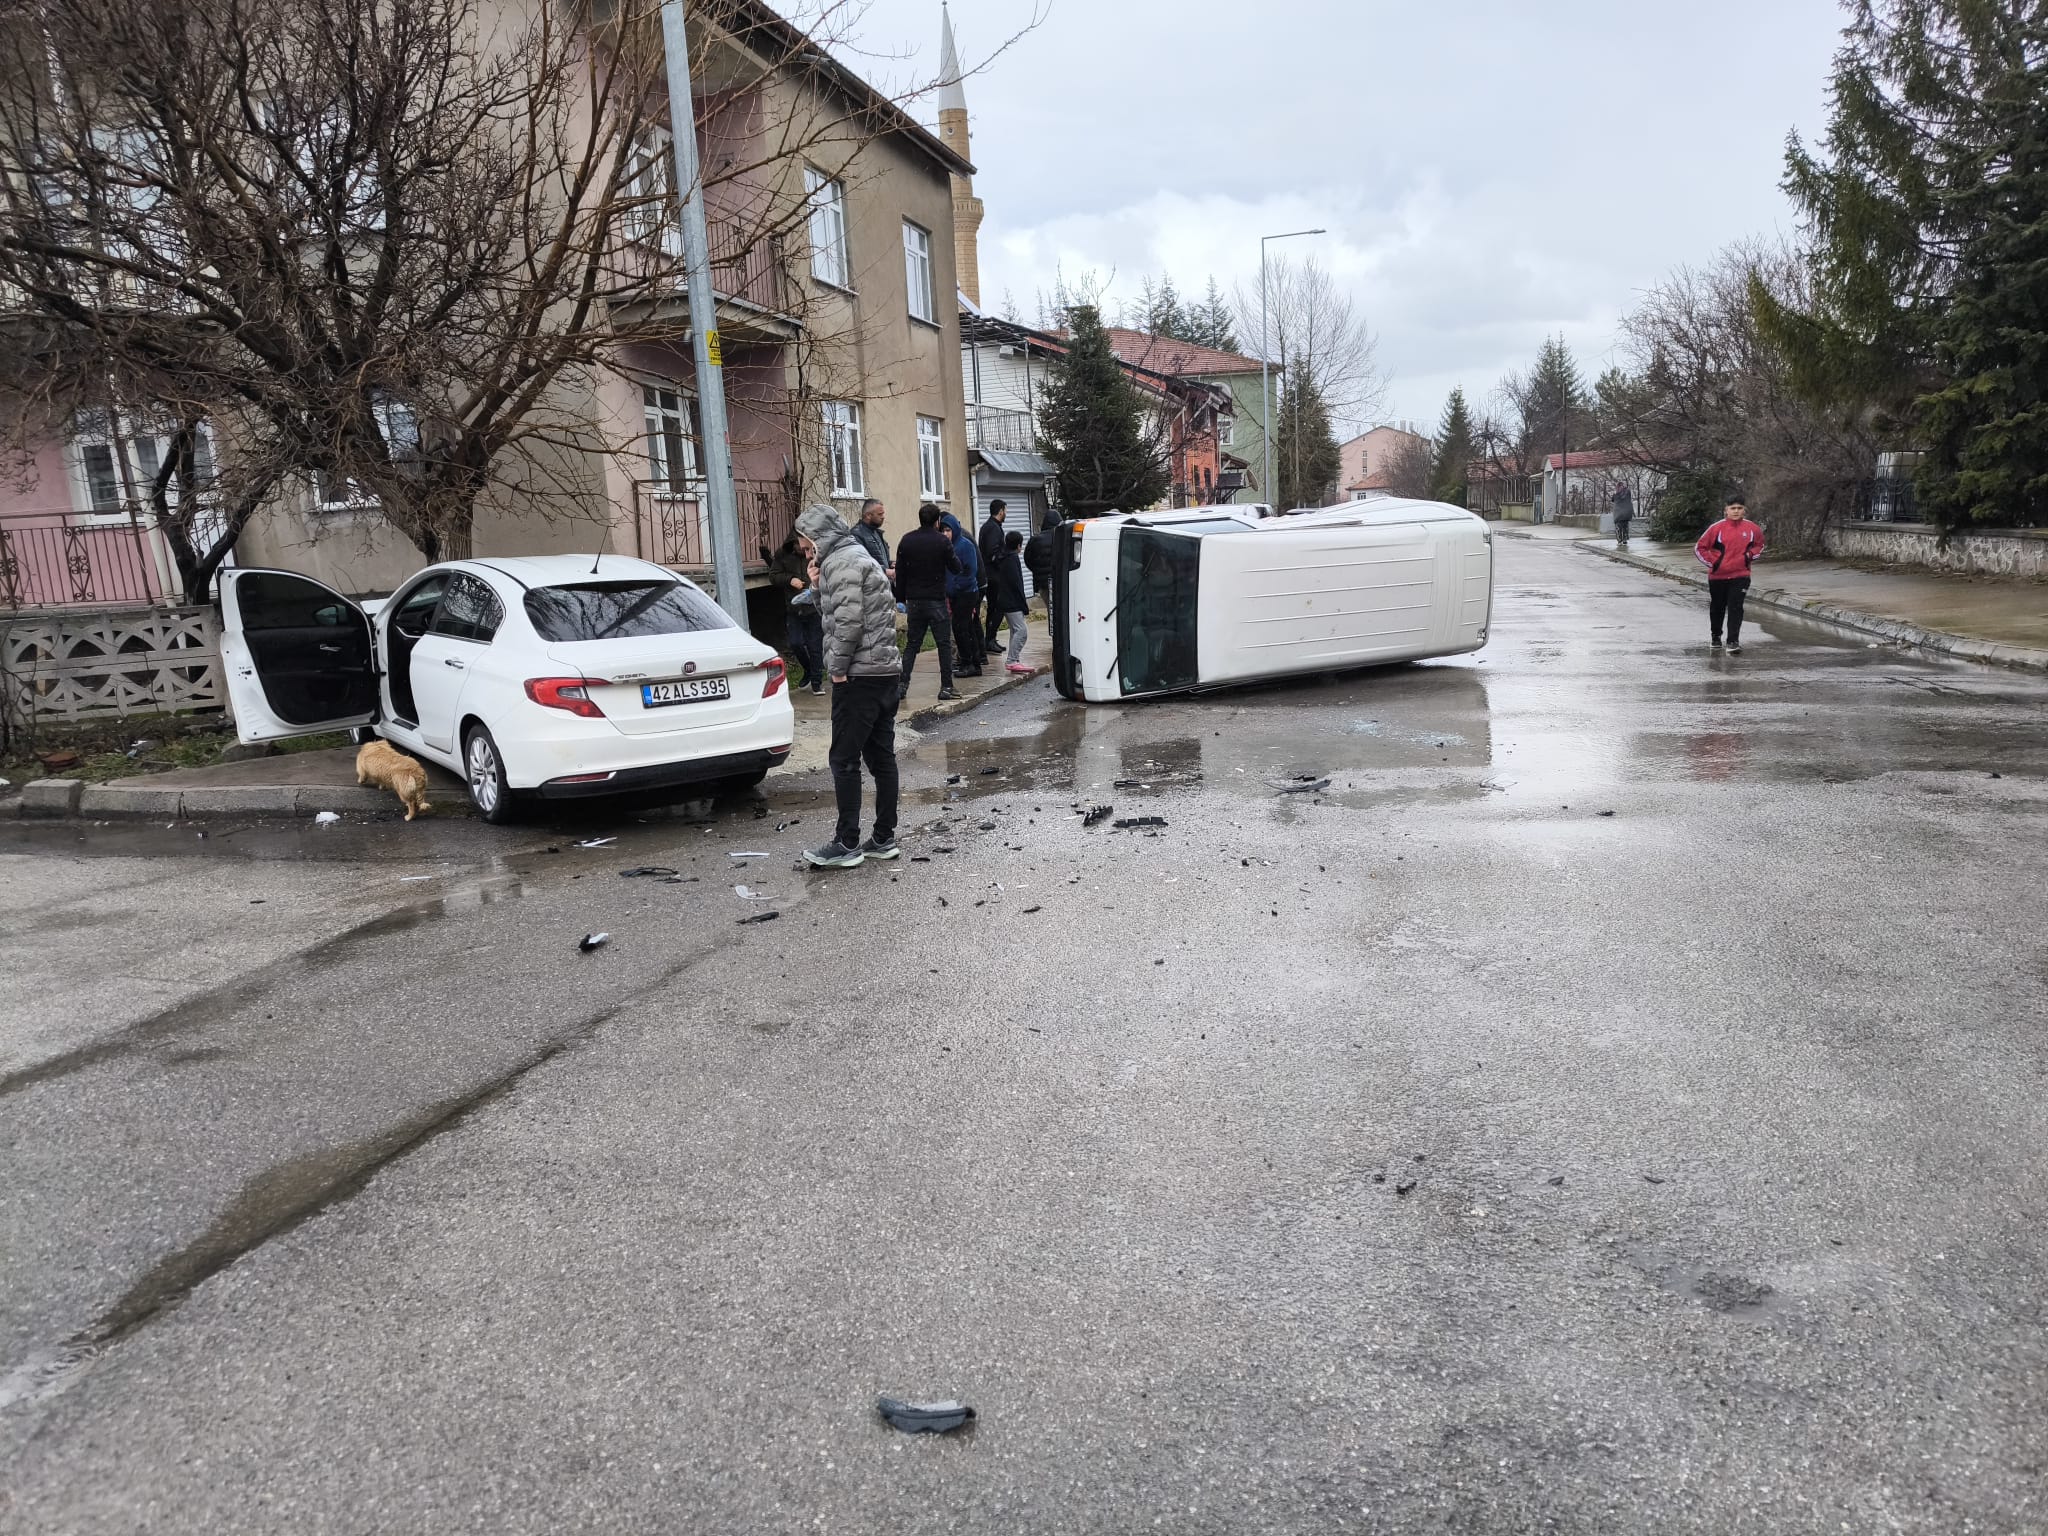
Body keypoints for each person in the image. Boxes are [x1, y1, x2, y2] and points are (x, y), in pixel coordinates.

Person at [795, 503, 903, 867]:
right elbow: (841, 609)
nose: (807, 552)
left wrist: (837, 669)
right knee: (880, 757)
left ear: (820, 537)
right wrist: (815, 585)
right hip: (885, 671)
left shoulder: (841, 563)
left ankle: (847, 844)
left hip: (859, 676)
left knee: (843, 759)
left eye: (809, 545)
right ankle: (883, 839)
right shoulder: (858, 555)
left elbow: (848, 623)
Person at [894, 503, 961, 702]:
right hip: (936, 599)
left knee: (913, 644)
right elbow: (955, 567)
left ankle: (902, 685)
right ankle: (946, 686)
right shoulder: (942, 541)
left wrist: (900, 598)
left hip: (914, 600)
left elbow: (900, 572)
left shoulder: (907, 540)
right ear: (937, 521)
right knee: (943, 644)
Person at [1694, 495, 1766, 653]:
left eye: (1739, 508)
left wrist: (1749, 556)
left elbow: (1759, 545)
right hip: (1718, 576)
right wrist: (1714, 563)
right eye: (1732, 508)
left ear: (1744, 510)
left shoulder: (1752, 528)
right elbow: (1700, 548)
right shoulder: (1716, 528)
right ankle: (1715, 636)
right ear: (1726, 510)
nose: (1736, 511)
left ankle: (1733, 641)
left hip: (1741, 575)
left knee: (1736, 607)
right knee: (1718, 608)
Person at [769, 532, 824, 692]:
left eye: (805, 547)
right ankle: (808, 670)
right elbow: (773, 576)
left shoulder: (817, 553)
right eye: (799, 547)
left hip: (814, 608)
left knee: (815, 646)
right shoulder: (783, 554)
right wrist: (789, 579)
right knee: (795, 643)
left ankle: (817, 682)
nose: (802, 550)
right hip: (794, 608)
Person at [941, 511, 984, 676]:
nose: (945, 534)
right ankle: (972, 662)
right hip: (954, 594)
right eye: (943, 530)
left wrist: (957, 586)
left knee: (962, 628)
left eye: (948, 530)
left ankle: (969, 663)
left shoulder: (965, 545)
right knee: (963, 628)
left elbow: (970, 571)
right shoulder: (946, 547)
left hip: (966, 593)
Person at [990, 528, 1032, 674]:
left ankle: (1014, 659)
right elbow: (1017, 583)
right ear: (1019, 545)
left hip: (1004, 599)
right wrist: (1023, 604)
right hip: (1012, 601)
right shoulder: (1012, 559)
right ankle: (1012, 660)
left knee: (1015, 630)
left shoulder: (1002, 557)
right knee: (1022, 631)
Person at [978, 499, 1008, 646]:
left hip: (990, 573)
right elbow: (993, 552)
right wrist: (1004, 558)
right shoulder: (993, 528)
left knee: (994, 607)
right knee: (997, 607)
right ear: (1001, 511)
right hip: (993, 575)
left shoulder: (990, 526)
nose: (1006, 513)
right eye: (1005, 510)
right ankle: (989, 639)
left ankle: (990, 639)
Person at [850, 497, 892, 580]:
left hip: (882, 585)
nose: (883, 517)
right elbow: (860, 564)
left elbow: (879, 559)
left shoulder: (877, 533)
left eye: (883, 514)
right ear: (868, 515)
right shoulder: (856, 534)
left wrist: (890, 564)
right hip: (871, 587)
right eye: (880, 514)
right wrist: (886, 571)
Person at [1024, 510, 1058, 612]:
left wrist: (1037, 570)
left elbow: (1027, 559)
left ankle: (1052, 627)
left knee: (1050, 610)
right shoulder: (1061, 537)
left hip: (1043, 583)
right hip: (1059, 582)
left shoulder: (1035, 540)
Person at [1610, 483, 1635, 548]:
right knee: (1625, 527)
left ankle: (1620, 541)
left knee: (1618, 527)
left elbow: (1612, 499)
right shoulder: (1628, 492)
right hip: (1626, 513)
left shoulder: (1617, 494)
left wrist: (1615, 493)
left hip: (1619, 514)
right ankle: (1624, 540)